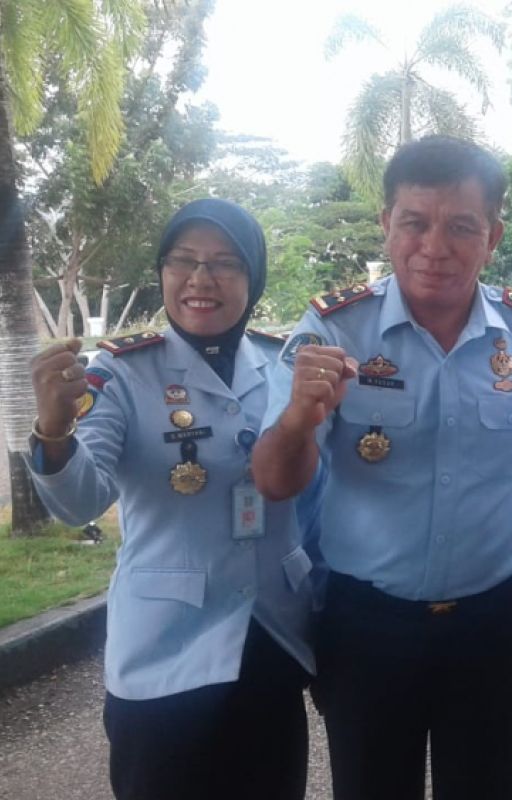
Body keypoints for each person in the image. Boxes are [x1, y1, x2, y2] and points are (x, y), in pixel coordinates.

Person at [251, 135, 512, 800]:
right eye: (415, 223)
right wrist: (297, 419)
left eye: (461, 226)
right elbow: (275, 480)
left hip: (490, 622)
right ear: (386, 226)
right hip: (367, 625)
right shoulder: (333, 332)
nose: (435, 246)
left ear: (492, 236)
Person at [26, 199, 319, 800]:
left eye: (224, 263)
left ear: (253, 276)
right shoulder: (124, 373)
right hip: (166, 649)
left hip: (271, 637)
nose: (200, 279)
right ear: (161, 272)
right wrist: (54, 432)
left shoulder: (283, 364)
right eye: (182, 261)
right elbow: (81, 502)